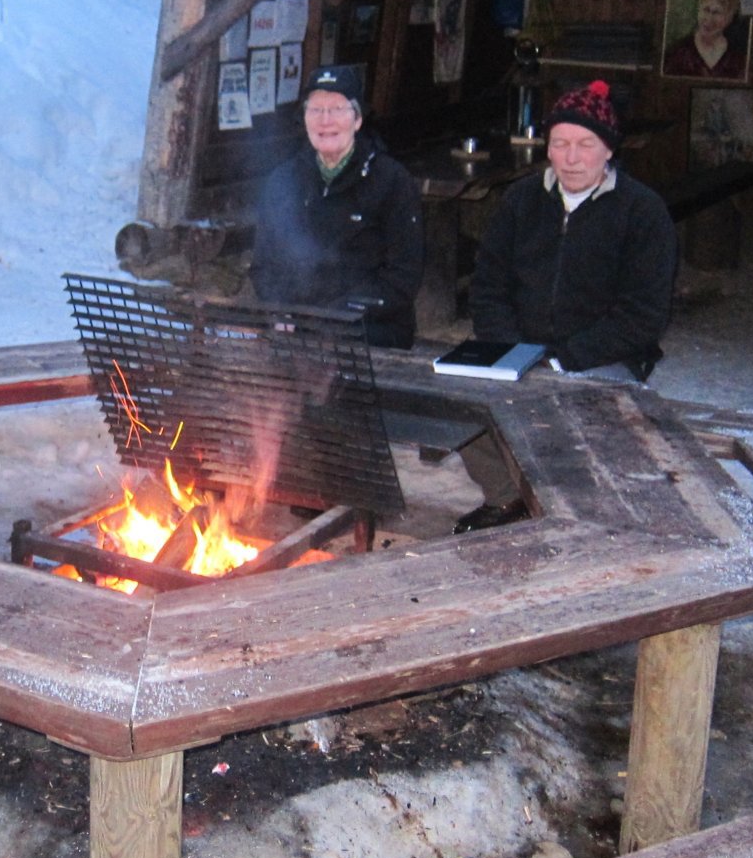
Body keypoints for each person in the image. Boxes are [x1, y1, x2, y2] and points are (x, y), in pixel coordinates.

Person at [456, 81, 677, 531]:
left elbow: (644, 315)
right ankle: (506, 497)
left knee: (581, 412)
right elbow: (488, 287)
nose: (571, 157)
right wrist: (514, 351)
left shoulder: (642, 212)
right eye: (560, 144)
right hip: (520, 347)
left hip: (601, 354)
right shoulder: (520, 200)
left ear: (608, 150)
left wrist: (563, 360)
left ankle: (581, 511)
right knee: (461, 398)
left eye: (585, 145)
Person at [250, 65, 424, 348]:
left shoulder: (392, 181)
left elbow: (402, 278)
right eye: (316, 110)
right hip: (299, 327)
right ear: (304, 119)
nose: (325, 120)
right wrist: (279, 308)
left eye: (337, 109)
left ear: (357, 120)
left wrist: (339, 316)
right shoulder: (283, 180)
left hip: (369, 330)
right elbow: (263, 265)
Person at [663, 0, 747, 79]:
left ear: (729, 18)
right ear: (698, 11)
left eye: (716, 12)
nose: (709, 18)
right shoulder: (677, 53)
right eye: (706, 10)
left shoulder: (738, 58)